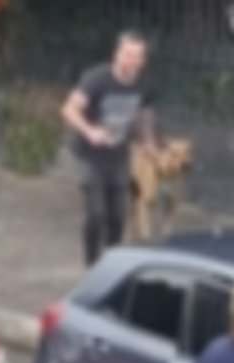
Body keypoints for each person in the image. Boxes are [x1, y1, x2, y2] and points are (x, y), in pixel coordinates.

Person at [60, 29, 159, 267]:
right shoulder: (96, 78)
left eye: (136, 56)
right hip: (90, 156)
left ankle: (111, 263)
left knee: (118, 217)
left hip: (118, 156)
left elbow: (144, 114)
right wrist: (90, 131)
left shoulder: (143, 84)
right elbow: (69, 110)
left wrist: (148, 141)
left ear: (142, 61)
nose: (130, 61)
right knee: (96, 214)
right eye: (126, 54)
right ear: (117, 54)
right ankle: (92, 263)